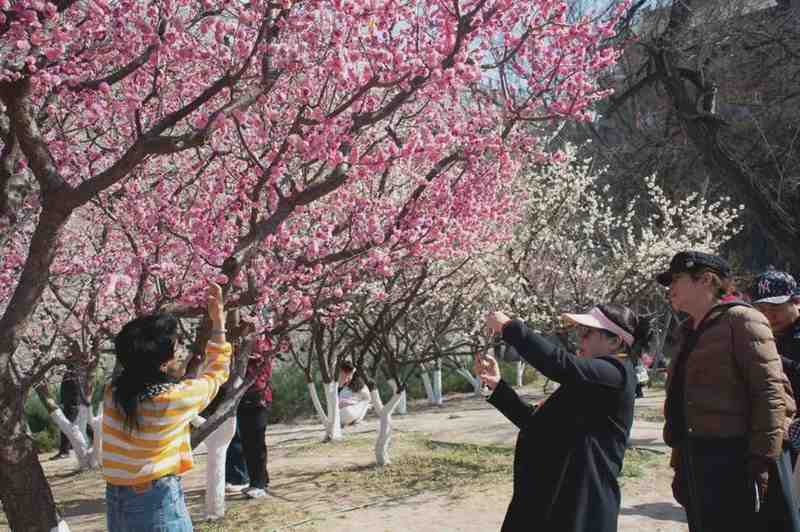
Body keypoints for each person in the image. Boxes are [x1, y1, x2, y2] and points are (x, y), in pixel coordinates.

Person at [477, 303, 651, 532]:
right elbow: (536, 422)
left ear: (615, 341)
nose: (580, 339)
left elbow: (559, 364)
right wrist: (498, 387)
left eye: (587, 333)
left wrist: (510, 327)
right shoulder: (591, 381)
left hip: (579, 505)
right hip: (552, 498)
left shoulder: (616, 374)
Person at [658, 251, 798, 532]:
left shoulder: (743, 320)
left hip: (738, 459)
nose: (670, 288)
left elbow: (770, 396)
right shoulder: (688, 331)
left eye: (677, 279)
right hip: (699, 461)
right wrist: (680, 463)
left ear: (706, 280)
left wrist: (762, 462)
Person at [102, 282, 231, 531]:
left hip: (116, 497)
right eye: (176, 347)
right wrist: (218, 323)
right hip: (155, 499)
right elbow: (216, 374)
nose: (180, 351)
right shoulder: (171, 400)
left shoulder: (112, 393)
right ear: (162, 362)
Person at [234, 346, 274, 499]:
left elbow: (265, 359)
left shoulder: (263, 343)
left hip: (258, 397)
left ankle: (259, 484)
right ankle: (258, 480)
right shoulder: (238, 343)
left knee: (256, 442)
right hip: (242, 397)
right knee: (247, 442)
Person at [338, 361, 371, 426]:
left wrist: (351, 403)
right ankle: (353, 421)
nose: (343, 375)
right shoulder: (340, 385)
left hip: (349, 411)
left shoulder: (360, 386)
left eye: (346, 374)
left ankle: (356, 421)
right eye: (342, 373)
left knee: (365, 403)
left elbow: (368, 400)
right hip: (340, 412)